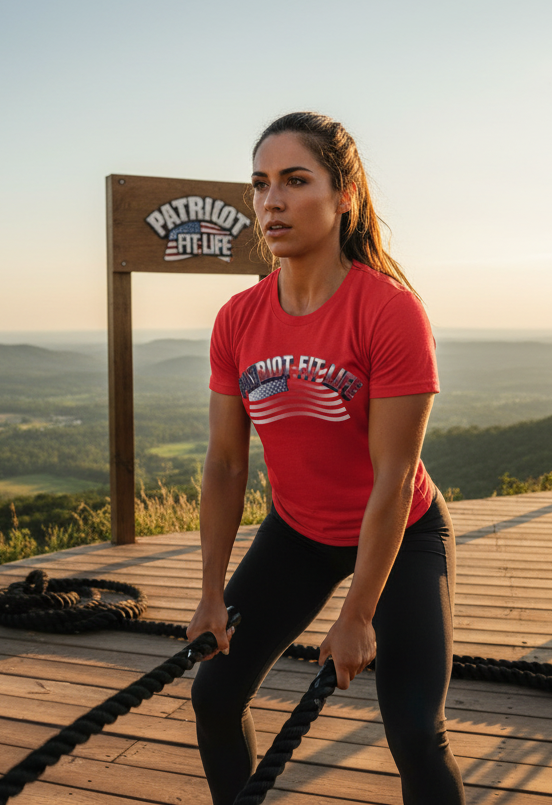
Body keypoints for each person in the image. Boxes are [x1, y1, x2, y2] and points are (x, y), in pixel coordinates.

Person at [186, 111, 466, 805]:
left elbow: (395, 478)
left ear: (345, 196)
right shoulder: (238, 317)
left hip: (401, 535)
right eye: (259, 184)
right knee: (215, 696)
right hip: (299, 535)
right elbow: (225, 465)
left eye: (294, 180)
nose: (270, 202)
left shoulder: (389, 311)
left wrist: (358, 613)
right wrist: (211, 592)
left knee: (411, 730)